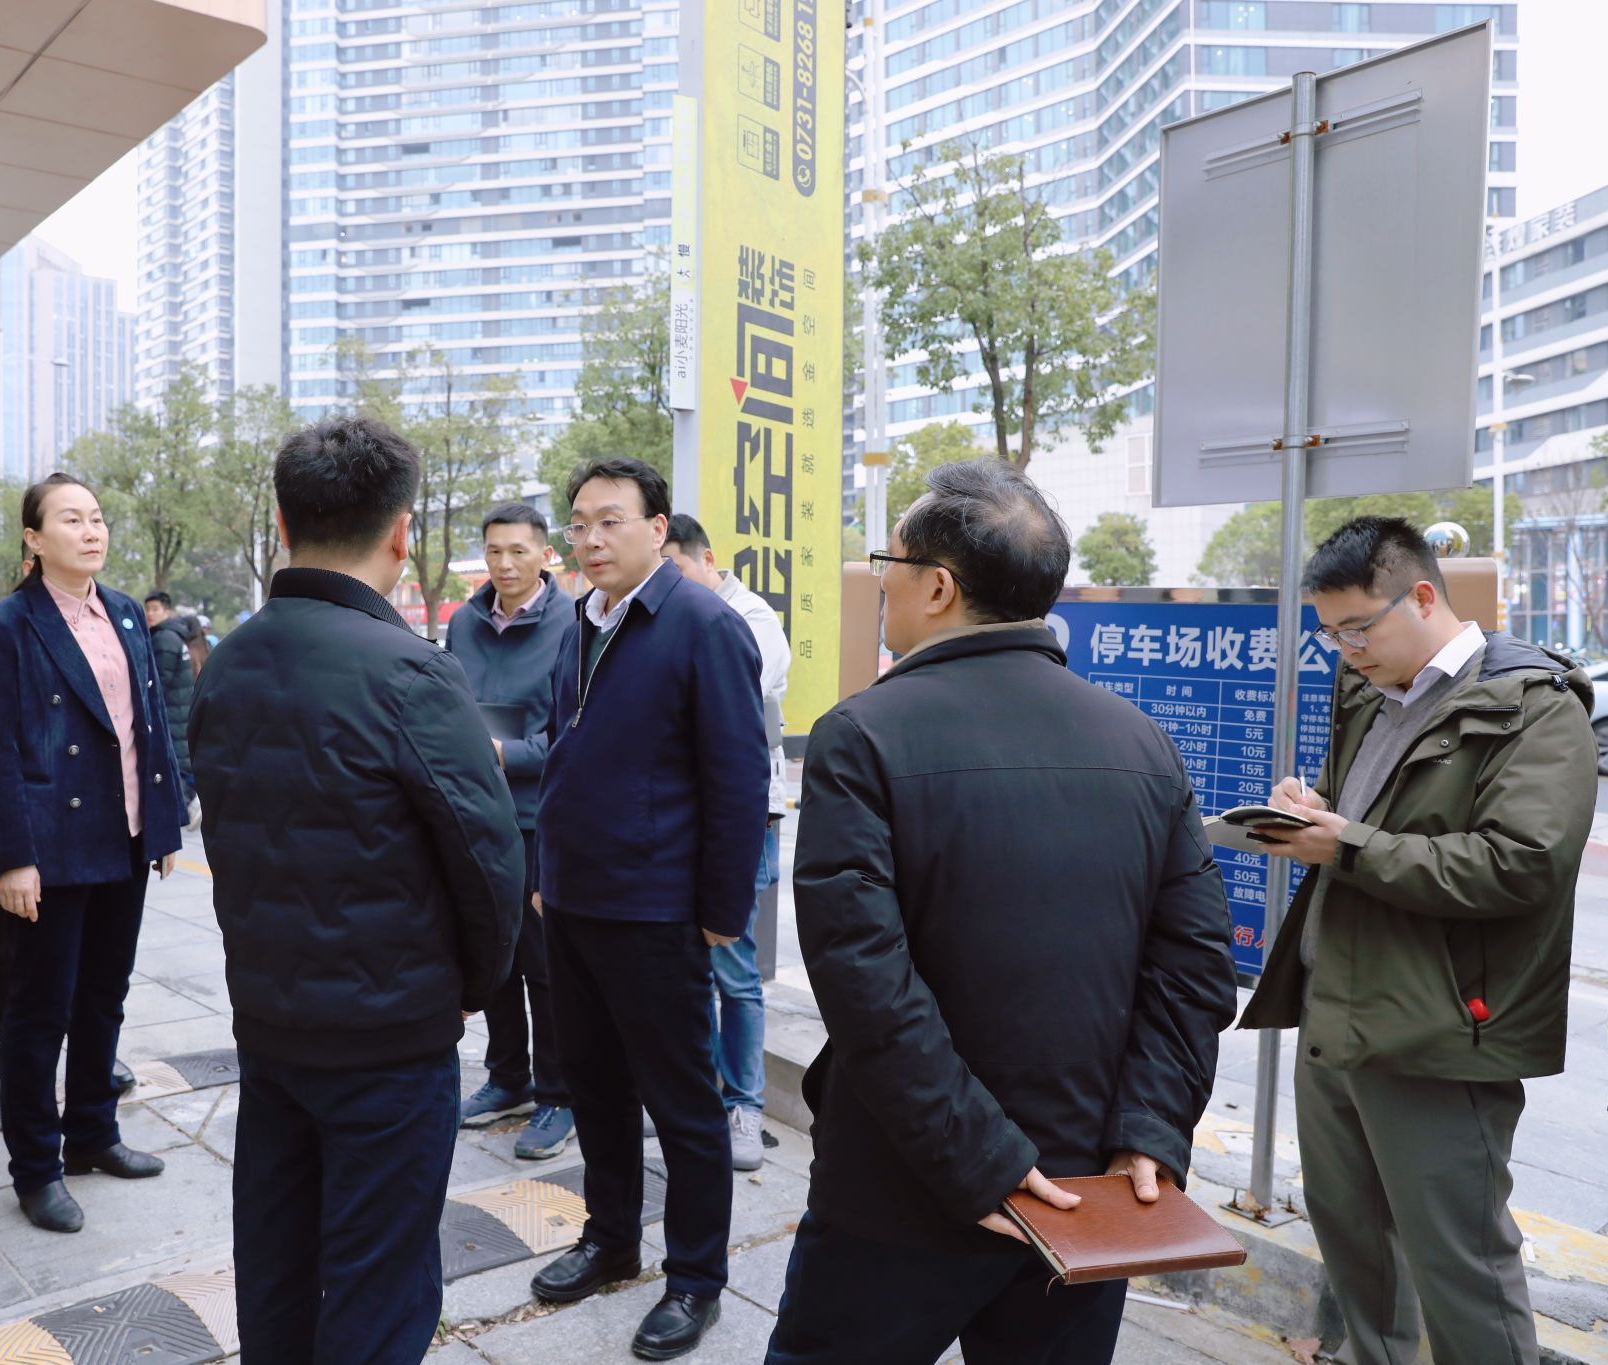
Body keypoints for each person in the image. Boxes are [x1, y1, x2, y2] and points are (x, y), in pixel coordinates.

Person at [764, 460, 1237, 1365]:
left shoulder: (862, 733)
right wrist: (1149, 1127)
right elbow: (1196, 961)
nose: (883, 583)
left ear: (938, 587)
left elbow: (864, 979)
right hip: (1092, 1184)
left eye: (889, 563)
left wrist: (979, 1156)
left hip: (904, 1184)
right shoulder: (1140, 738)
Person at [189, 416, 524, 1364]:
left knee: (277, 1263)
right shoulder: (411, 670)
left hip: (271, 1022)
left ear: (284, 523)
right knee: (379, 1281)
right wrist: (471, 985)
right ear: (402, 532)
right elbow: (489, 860)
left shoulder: (230, 661)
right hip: (390, 1037)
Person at [1243, 516, 1598, 1365]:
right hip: (1334, 1008)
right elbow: (1362, 810)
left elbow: (1521, 864)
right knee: (1354, 1243)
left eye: (1358, 628)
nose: (1345, 649)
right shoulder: (1369, 690)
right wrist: (1314, 808)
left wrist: (1347, 845)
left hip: (1437, 1031)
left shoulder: (1533, 706)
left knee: (1461, 1266)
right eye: (1330, 634)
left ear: (1425, 595)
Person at [530, 457, 767, 1360]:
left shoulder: (702, 624)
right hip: (575, 901)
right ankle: (611, 1238)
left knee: (684, 1103)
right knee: (593, 1084)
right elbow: (564, 755)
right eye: (580, 523)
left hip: (657, 909)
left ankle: (696, 1277)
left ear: (658, 528)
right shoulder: (580, 620)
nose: (591, 539)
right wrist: (548, 870)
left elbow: (738, 778)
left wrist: (721, 911)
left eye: (611, 521)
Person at [0, 474, 187, 1235]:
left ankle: (93, 1132)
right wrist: (11, 857)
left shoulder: (123, 612)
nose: (91, 531)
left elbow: (148, 724)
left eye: (97, 518)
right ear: (33, 537)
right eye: (71, 519)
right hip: (50, 846)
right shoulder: (3, 626)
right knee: (38, 1014)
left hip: (123, 834)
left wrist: (162, 825)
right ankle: (36, 1168)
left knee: (103, 996)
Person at [0, 593, 136, 1102]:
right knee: (21, 959)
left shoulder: (115, 615)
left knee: (98, 969)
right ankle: (13, 1060)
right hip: (30, 823)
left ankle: (88, 1064)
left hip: (103, 822)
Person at [446, 501, 580, 1159]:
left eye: (518, 550)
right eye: (494, 551)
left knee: (545, 964)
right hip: (476, 814)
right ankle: (507, 1077)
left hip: (540, 818)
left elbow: (579, 731)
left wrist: (510, 753)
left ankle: (559, 1092)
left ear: (545, 554)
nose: (504, 564)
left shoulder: (574, 624)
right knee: (490, 952)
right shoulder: (463, 622)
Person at [662, 512, 789, 1172]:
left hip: (743, 818)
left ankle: (745, 1104)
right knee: (691, 964)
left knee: (735, 968)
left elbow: (714, 704)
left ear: (707, 560)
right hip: (687, 815)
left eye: (678, 570)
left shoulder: (750, 619)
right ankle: (703, 1094)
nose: (671, 584)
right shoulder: (676, 618)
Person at [142, 591, 198, 828]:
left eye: (155, 609)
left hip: (171, 711)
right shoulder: (175, 636)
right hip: (181, 709)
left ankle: (188, 803)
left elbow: (158, 681)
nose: (150, 613)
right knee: (180, 757)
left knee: (174, 758)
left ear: (167, 611)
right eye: (147, 609)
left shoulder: (164, 638)